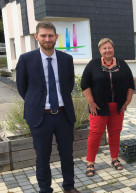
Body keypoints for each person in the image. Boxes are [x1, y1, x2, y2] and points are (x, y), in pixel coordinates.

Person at [16, 22, 79, 193]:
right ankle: (45, 189)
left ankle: (69, 187)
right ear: (36, 37)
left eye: (51, 35)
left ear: (56, 37)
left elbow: (69, 85)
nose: (47, 39)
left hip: (63, 115)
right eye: (43, 35)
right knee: (42, 157)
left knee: (67, 155)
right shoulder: (26, 59)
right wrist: (36, 103)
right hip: (39, 117)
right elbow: (23, 88)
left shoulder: (66, 59)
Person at [80, 38, 134, 177]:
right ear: (100, 50)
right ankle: (90, 163)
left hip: (117, 108)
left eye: (109, 47)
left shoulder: (122, 64)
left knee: (115, 133)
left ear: (113, 48)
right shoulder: (93, 65)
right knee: (95, 134)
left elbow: (130, 84)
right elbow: (84, 84)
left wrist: (127, 101)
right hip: (98, 107)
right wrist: (91, 102)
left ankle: (115, 159)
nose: (107, 50)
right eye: (104, 48)